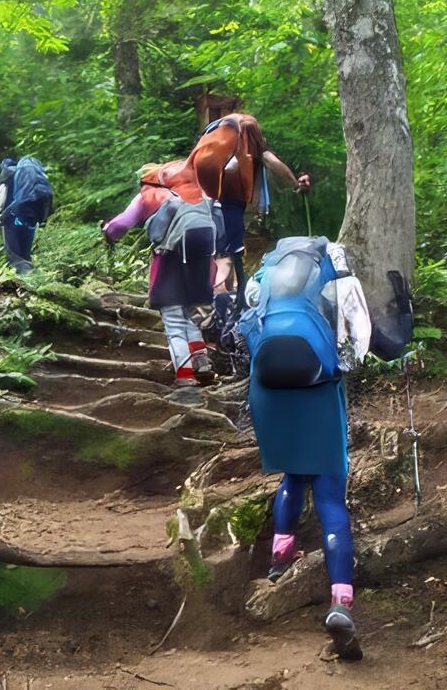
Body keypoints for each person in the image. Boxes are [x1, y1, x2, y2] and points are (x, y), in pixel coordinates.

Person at [238, 236, 412, 662]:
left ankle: (280, 561)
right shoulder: (337, 280)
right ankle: (340, 602)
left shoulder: (263, 280)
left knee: (293, 473)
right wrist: (401, 325)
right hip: (317, 388)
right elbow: (368, 344)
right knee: (331, 494)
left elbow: (243, 328)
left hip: (268, 390)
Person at [180, 113, 311, 330]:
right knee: (227, 256)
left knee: (219, 253)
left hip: (202, 205)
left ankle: (214, 305)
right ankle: (222, 308)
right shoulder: (250, 141)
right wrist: (296, 183)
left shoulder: (213, 140)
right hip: (229, 206)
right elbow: (272, 162)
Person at [102, 162, 220, 387]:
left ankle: (185, 377)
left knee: (174, 322)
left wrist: (107, 233)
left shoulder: (148, 195)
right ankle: (202, 365)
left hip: (169, 264)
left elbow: (120, 226)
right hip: (200, 265)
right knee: (192, 316)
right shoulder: (200, 197)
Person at [0, 157, 54, 274]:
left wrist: (1, 217)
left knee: (14, 253)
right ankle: (28, 267)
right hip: (35, 211)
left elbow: (2, 203)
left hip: (16, 211)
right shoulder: (36, 171)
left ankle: (22, 271)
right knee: (25, 247)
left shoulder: (10, 173)